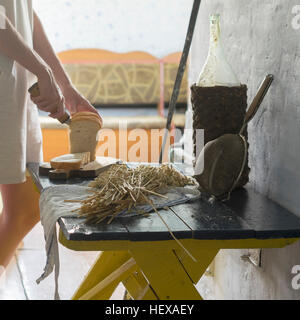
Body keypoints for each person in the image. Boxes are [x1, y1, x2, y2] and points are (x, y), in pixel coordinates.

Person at [0, 0, 101, 268]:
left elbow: (23, 12)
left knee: (28, 205)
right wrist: (41, 71)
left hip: (13, 89)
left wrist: (64, 85)